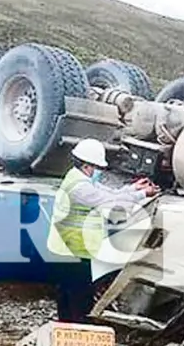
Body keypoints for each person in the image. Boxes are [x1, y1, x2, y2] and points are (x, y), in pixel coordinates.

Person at [46, 138, 159, 323]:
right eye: (97, 167)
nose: (99, 171)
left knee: (68, 293)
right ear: (87, 166)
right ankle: (78, 331)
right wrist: (142, 195)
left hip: (68, 248)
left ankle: (67, 326)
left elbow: (111, 194)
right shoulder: (80, 187)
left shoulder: (78, 178)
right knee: (78, 295)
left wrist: (133, 188)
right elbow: (109, 203)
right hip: (71, 249)